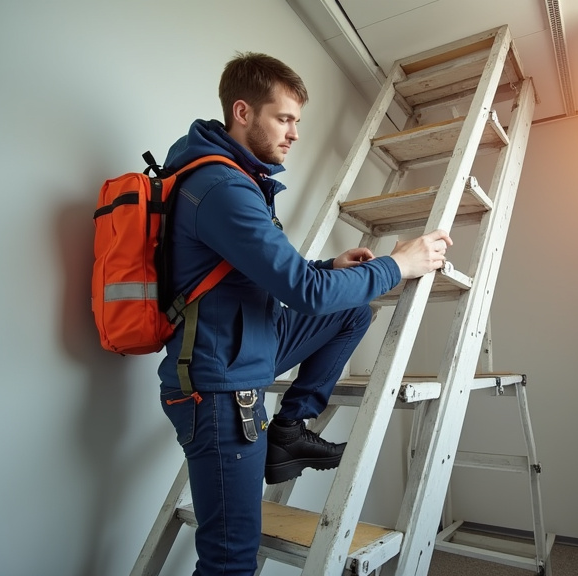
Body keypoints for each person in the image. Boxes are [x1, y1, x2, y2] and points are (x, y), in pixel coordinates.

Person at [157, 52, 452, 576]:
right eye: (284, 119)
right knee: (229, 561)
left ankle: (288, 429)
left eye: (297, 121)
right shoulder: (222, 189)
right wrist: (397, 264)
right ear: (243, 112)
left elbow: (269, 277)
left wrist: (328, 265)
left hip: (244, 346)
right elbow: (307, 292)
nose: (294, 133)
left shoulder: (232, 177)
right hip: (220, 388)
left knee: (351, 312)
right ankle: (282, 433)